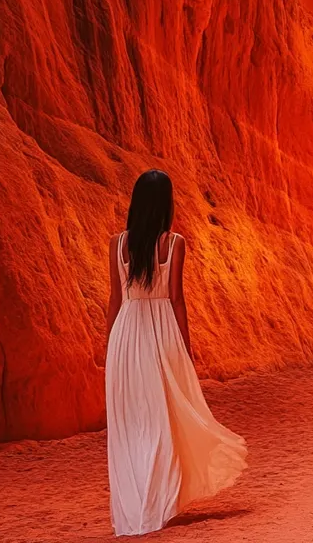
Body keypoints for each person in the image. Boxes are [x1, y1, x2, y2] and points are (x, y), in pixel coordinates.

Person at [106, 169, 246, 536]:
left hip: (126, 334)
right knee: (160, 418)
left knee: (131, 423)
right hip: (160, 332)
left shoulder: (117, 244)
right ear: (166, 203)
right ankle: (159, 502)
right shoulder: (174, 243)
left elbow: (115, 299)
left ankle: (137, 506)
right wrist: (185, 348)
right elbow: (176, 299)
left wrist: (111, 348)